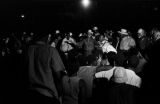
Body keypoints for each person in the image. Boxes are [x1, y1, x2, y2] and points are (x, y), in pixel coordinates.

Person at [26, 33, 66, 104]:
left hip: (30, 93)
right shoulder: (51, 50)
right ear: (47, 37)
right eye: (49, 36)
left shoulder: (28, 49)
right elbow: (58, 76)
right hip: (47, 94)